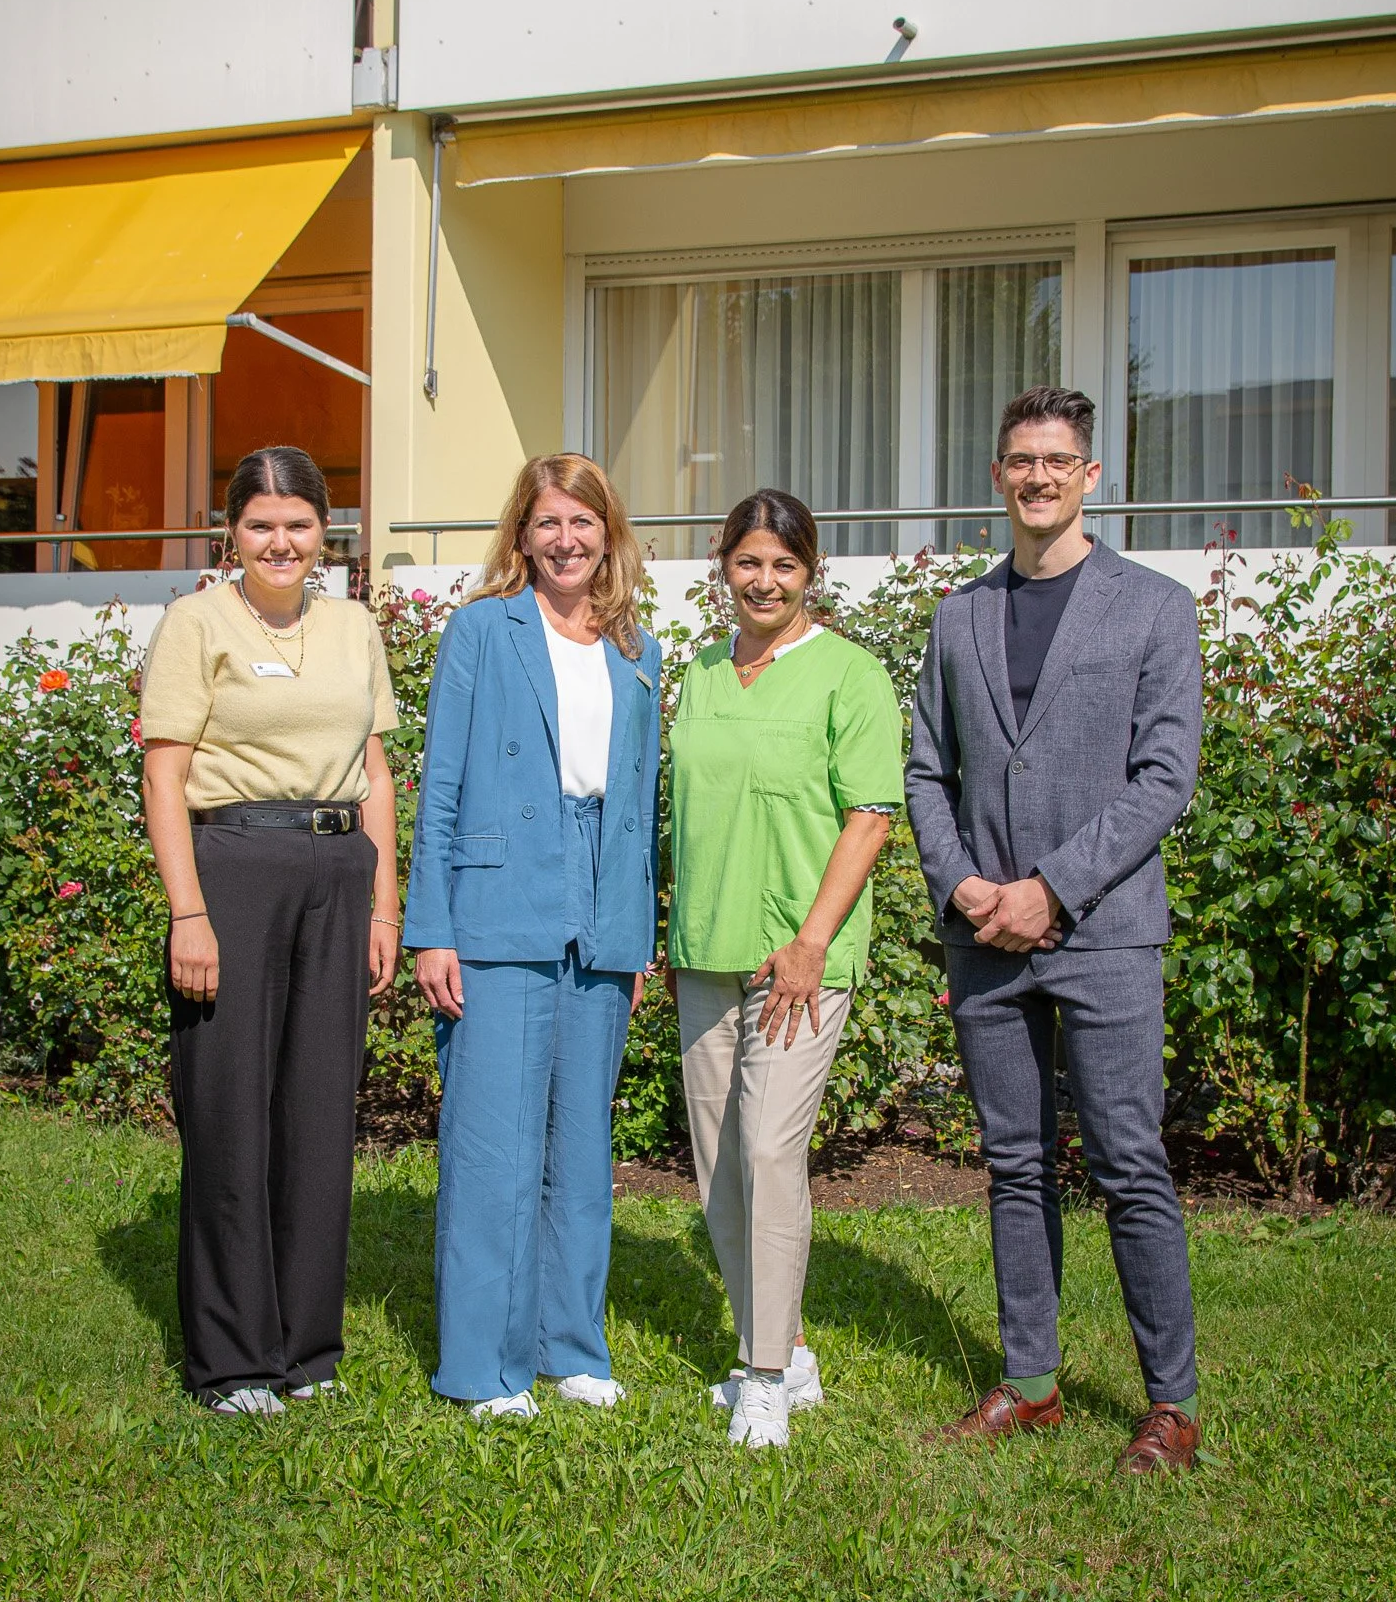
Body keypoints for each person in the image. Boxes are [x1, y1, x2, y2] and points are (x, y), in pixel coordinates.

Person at [906, 385, 1205, 1474]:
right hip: (983, 935)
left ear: (1091, 476)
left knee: (1129, 1161)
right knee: (1014, 1163)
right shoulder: (958, 617)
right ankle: (1030, 1383)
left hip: (1106, 933)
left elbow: (1163, 776)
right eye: (1020, 460)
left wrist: (1052, 889)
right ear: (997, 476)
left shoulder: (1154, 607)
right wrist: (963, 887)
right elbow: (925, 770)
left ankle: (1170, 1403)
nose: (1037, 476)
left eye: (1057, 460)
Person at [140, 445, 401, 1415]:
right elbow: (164, 774)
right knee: (230, 1109)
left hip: (337, 871)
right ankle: (234, 1358)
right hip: (235, 868)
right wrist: (189, 912)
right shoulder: (196, 622)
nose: (280, 541)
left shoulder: (353, 626)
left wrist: (384, 904)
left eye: (297, 523)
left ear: (325, 531)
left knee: (318, 1111)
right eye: (261, 524)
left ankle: (305, 1346)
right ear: (232, 532)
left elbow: (374, 771)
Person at [404, 454, 661, 1420]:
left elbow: (641, 802)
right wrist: (433, 928)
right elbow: (440, 783)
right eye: (548, 522)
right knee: (493, 1151)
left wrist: (633, 935)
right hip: (499, 900)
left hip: (601, 911)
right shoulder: (482, 629)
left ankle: (570, 1347)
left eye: (583, 522)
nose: (566, 540)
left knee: (582, 1147)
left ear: (608, 534)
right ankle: (484, 1367)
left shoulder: (637, 647)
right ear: (522, 535)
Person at [668, 489, 904, 1451]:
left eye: (785, 566)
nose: (764, 582)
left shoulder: (851, 675)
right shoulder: (698, 676)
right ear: (723, 566)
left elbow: (870, 818)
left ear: (811, 574)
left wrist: (811, 943)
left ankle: (762, 1378)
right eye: (748, 563)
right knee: (720, 1168)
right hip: (704, 949)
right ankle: (787, 1349)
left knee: (769, 1153)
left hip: (800, 957)